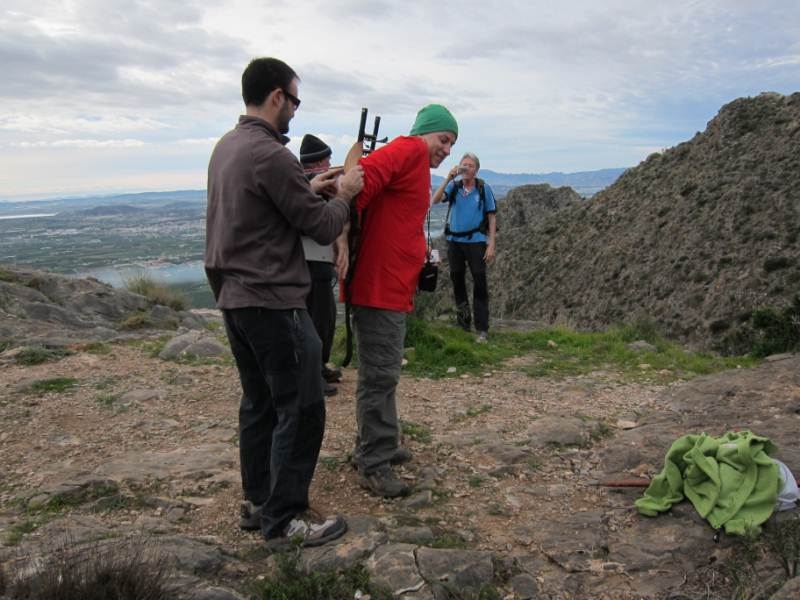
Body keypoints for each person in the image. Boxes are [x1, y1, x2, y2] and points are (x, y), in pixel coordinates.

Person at [204, 57, 364, 548]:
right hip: (274, 301)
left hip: (236, 300)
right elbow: (320, 226)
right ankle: (285, 519)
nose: (295, 110)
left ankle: (258, 503)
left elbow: (260, 212)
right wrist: (345, 194)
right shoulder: (272, 154)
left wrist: (307, 188)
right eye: (294, 100)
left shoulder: (228, 147)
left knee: (260, 404)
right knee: (302, 407)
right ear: (277, 96)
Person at [346, 104, 458, 497]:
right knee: (379, 375)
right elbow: (358, 186)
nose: (447, 149)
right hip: (378, 286)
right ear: (425, 131)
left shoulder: (416, 162)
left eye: (452, 143)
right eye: (443, 139)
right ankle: (372, 462)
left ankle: (380, 442)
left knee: (385, 371)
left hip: (389, 286)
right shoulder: (409, 149)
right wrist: (344, 239)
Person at [431, 152, 497, 343]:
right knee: (457, 281)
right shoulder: (454, 186)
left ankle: (482, 328)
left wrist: (491, 244)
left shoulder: (483, 188)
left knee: (479, 282)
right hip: (454, 242)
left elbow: (492, 216)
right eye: (464, 164)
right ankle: (463, 323)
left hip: (476, 241)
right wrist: (448, 178)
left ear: (476, 169)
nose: (466, 168)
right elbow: (435, 200)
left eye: (470, 165)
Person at [299, 134, 344, 397]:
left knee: (325, 317)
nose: (328, 164)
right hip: (310, 259)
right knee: (316, 318)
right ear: (317, 163)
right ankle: (311, 373)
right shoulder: (304, 185)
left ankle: (319, 365)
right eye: (326, 160)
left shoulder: (309, 183)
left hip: (319, 258)